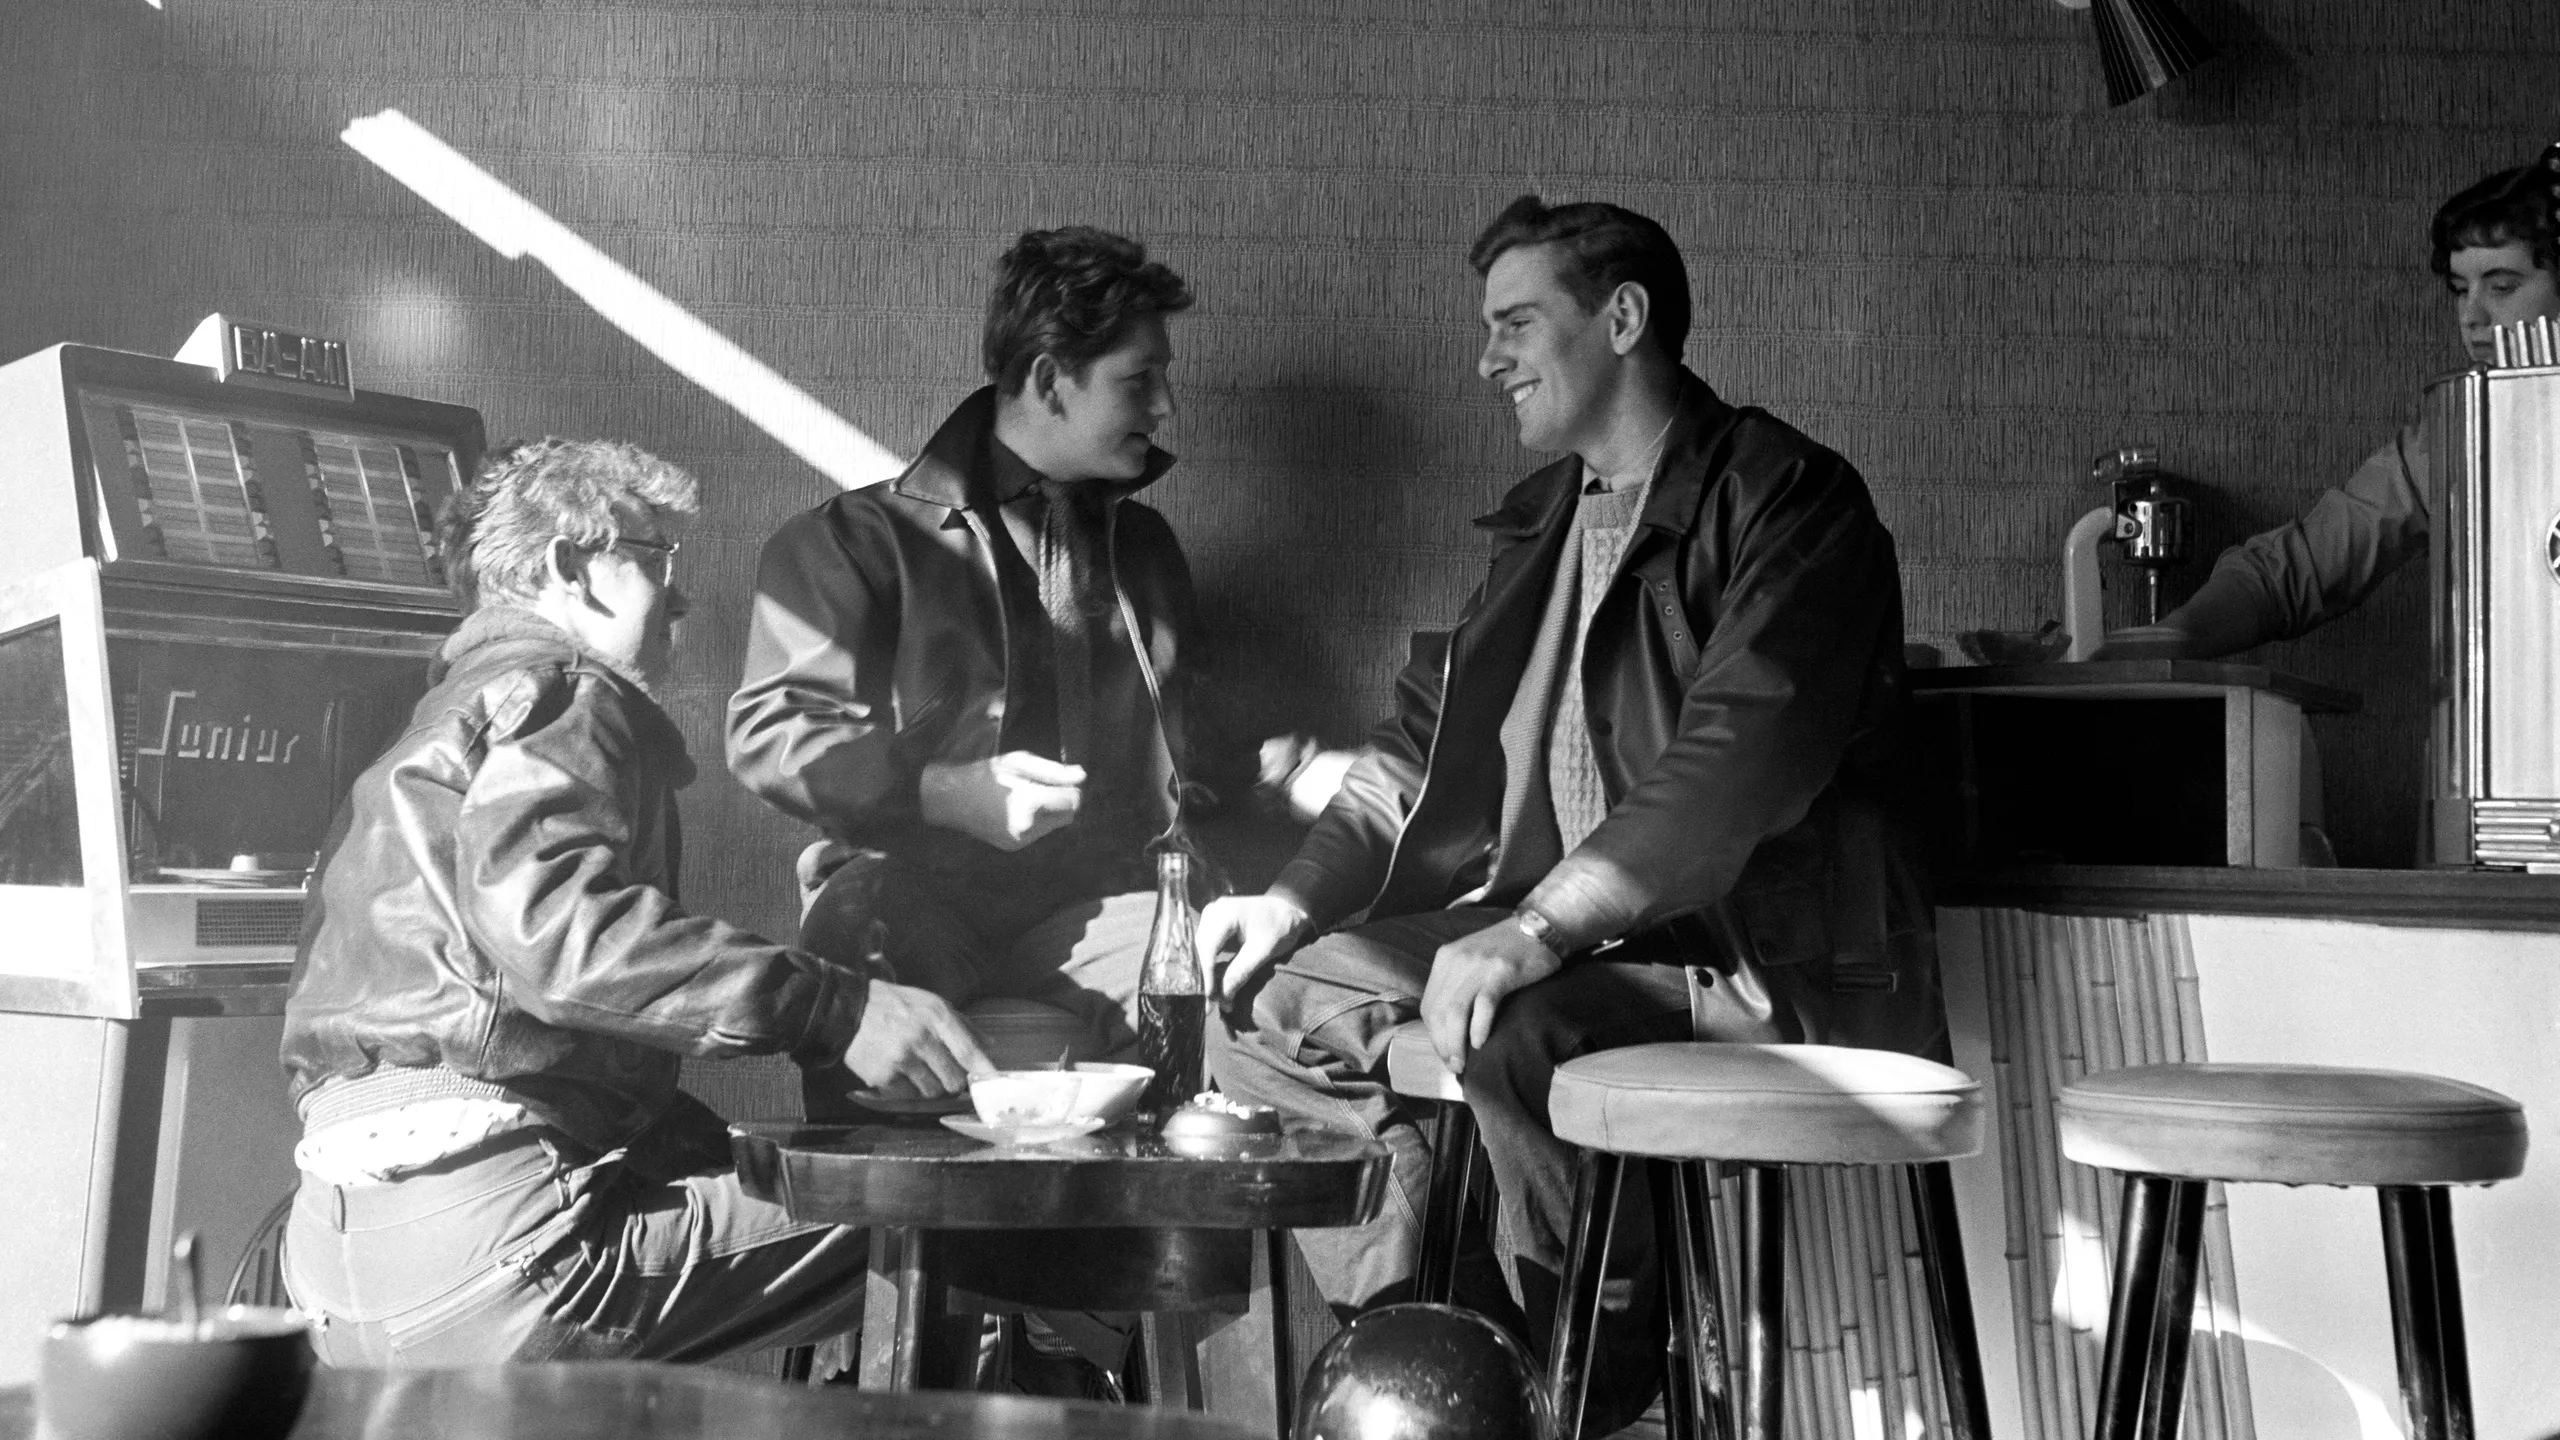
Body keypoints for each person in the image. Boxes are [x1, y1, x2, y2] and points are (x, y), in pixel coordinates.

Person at [1198, 196, 1942, 1423]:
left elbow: (1732, 762)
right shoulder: (1541, 522)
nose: (1486, 358)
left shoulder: (1793, 502)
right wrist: (1288, 900)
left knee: (1508, 1025)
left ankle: (1586, 1377)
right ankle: (1431, 1351)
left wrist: (1534, 928)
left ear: (1623, 317)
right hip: (1554, 936)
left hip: (1743, 956)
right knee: (1264, 996)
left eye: (1515, 323)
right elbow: (1413, 755)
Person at [280, 438, 994, 1366]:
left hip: (337, 1276)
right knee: (948, 1217)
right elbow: (566, 939)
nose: (685, 599)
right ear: (572, 568)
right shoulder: (567, 691)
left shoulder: (445, 719)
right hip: (506, 1257)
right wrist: (836, 1007)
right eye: (660, 561)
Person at [727, 226, 1226, 1097]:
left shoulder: (1144, 549)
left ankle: (1164, 1224)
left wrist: (1281, 776)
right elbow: (775, 734)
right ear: (1046, 380)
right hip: (915, 895)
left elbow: (1191, 753)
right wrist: (946, 792)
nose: (1167, 408)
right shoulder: (853, 541)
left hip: (1104, 900)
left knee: (1217, 978)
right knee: (864, 937)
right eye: (1139, 380)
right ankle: (895, 1229)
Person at [2107, 160, 2560, 659]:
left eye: (2501, 287)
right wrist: (2176, 638)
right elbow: (2299, 570)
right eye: (2459, 290)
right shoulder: (2458, 436)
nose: (2471, 317)